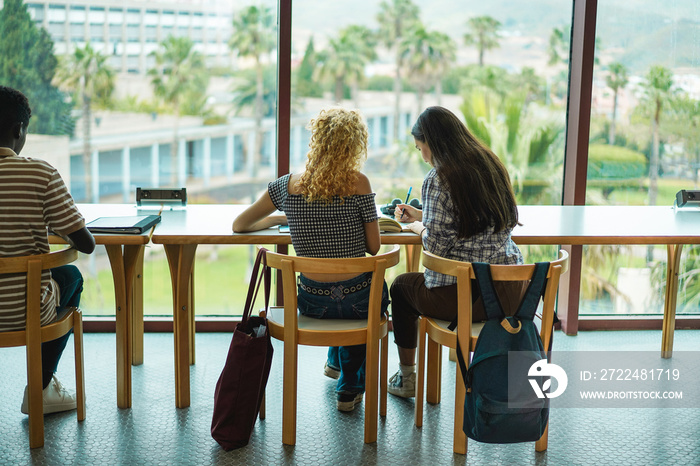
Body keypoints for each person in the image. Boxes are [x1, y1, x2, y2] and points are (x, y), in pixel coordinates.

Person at [233, 107, 389, 412]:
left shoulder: (287, 186)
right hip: (358, 303)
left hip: (311, 303)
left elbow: (240, 224)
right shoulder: (360, 183)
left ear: (317, 140)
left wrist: (283, 218)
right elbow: (374, 248)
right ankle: (348, 388)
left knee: (339, 304)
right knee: (370, 297)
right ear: (355, 145)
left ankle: (334, 361)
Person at [387, 106, 524, 398]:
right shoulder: (491, 163)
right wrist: (424, 215)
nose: (422, 155)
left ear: (432, 143)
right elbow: (483, 218)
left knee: (401, 288)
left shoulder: (438, 178)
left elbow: (436, 247)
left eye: (420, 147)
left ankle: (407, 377)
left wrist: (416, 228)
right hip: (511, 291)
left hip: (471, 298)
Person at [0, 86, 96, 414]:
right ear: (18, 130)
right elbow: (85, 243)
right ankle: (40, 388)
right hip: (21, 311)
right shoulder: (40, 173)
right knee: (70, 276)